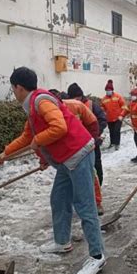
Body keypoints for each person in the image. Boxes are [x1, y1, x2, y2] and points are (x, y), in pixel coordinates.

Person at [0, 67, 106, 274]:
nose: (13, 93)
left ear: (18, 87)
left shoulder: (41, 101)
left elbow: (59, 127)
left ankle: (97, 255)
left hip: (79, 154)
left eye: (13, 88)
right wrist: (5, 154)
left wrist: (39, 141)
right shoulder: (33, 108)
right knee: (58, 199)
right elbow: (27, 137)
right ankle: (62, 241)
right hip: (66, 160)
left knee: (85, 206)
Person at [53, 87, 105, 216]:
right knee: (70, 179)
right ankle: (76, 202)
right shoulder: (51, 112)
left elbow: (96, 122)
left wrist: (93, 139)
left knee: (91, 174)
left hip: (86, 146)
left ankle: (96, 203)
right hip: (67, 151)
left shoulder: (79, 106)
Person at [65, 83, 107, 186]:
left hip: (92, 141)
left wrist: (96, 134)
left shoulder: (91, 105)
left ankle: (97, 188)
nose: (75, 100)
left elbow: (102, 120)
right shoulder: (68, 106)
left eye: (77, 97)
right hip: (77, 145)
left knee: (95, 166)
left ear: (80, 96)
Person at [101, 79, 127, 150]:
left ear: (112, 90)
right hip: (109, 119)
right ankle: (112, 143)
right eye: (106, 90)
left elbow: (124, 106)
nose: (108, 91)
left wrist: (122, 115)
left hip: (118, 118)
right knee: (111, 131)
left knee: (116, 131)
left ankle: (117, 144)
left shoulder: (118, 97)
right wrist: (103, 112)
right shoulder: (103, 99)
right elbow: (102, 107)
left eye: (109, 90)